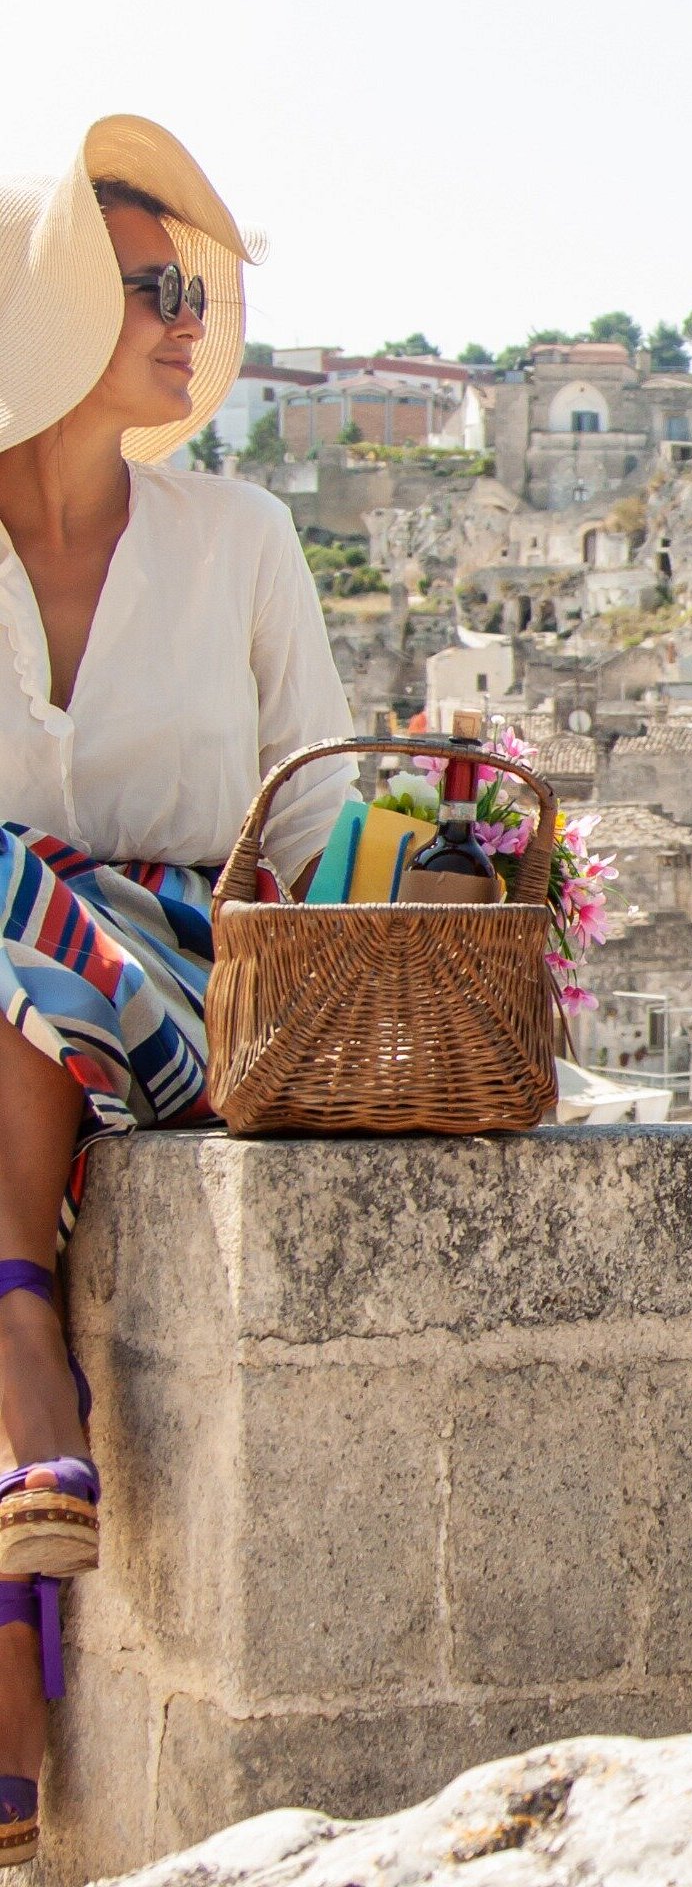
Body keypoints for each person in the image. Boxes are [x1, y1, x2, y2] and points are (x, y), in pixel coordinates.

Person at [0, 118, 353, 1860]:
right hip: (7, 1016)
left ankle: (21, 1342)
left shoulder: (240, 537)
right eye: (145, 285)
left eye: (195, 289)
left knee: (2, 896)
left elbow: (325, 810)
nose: (185, 319)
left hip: (193, 994)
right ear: (42, 311)